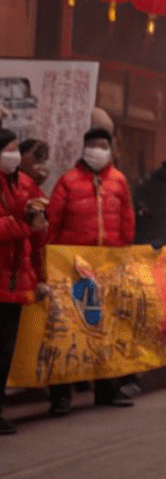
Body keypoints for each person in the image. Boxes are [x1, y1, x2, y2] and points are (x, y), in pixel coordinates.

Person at [46, 127, 136, 413]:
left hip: (106, 267)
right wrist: (51, 261)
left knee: (106, 328)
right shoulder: (67, 181)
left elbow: (127, 218)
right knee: (68, 331)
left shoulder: (119, 180)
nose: (98, 151)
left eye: (103, 146)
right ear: (84, 149)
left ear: (110, 150)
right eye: (93, 145)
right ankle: (61, 396)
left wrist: (123, 252)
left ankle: (108, 390)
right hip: (72, 267)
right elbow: (52, 223)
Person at [0, 128, 48, 436]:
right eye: (8, 149)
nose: (14, 155)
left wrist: (41, 221)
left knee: (6, 350)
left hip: (16, 281)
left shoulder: (26, 184)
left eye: (16, 149)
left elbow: (38, 233)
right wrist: (24, 225)